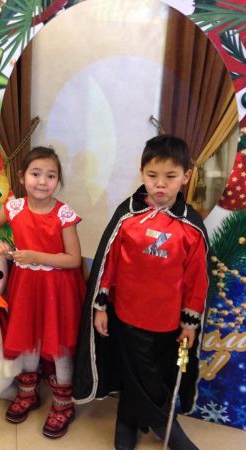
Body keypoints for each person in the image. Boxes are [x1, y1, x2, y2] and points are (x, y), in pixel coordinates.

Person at [73, 135, 209, 450]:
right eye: (152, 175)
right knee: (140, 370)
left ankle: (128, 418)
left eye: (170, 176)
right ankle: (168, 429)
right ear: (142, 174)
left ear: (186, 176)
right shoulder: (128, 217)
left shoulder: (190, 227)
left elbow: (197, 280)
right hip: (128, 314)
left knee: (153, 373)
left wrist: (190, 323)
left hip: (168, 319)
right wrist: (101, 306)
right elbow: (108, 265)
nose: (160, 184)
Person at [0, 146, 85, 439]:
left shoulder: (63, 214)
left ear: (58, 180)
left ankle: (63, 403)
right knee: (28, 337)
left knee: (58, 342)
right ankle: (28, 391)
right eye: (36, 174)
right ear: (22, 177)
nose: (42, 181)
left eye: (51, 176)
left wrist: (36, 256)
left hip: (56, 289)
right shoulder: (14, 208)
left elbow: (73, 259)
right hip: (25, 286)